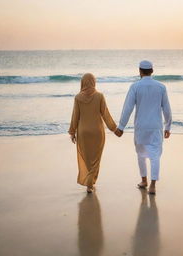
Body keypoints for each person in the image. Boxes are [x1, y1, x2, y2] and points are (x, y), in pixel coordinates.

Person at [115, 60, 172, 195]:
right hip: (155, 127)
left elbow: (127, 108)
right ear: (152, 71)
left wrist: (121, 127)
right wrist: (168, 126)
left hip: (141, 127)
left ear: (139, 71)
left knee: (140, 155)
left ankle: (144, 180)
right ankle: (152, 185)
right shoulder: (161, 87)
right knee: (155, 156)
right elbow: (167, 109)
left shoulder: (135, 87)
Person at [69, 73, 117, 193]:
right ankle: (90, 183)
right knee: (96, 159)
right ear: (93, 82)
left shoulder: (78, 97)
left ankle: (89, 183)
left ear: (83, 82)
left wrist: (72, 131)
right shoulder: (99, 96)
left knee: (87, 158)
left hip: (83, 132)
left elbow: (75, 116)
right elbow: (105, 114)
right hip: (97, 132)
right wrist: (114, 128)